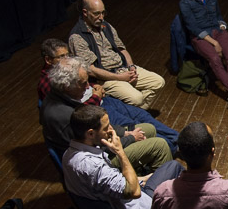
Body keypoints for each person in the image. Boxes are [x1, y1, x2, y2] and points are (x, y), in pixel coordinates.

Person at [63, 105, 184, 209]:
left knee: (156, 173)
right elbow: (134, 191)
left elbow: (109, 183)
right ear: (90, 133)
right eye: (106, 128)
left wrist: (142, 179)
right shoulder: (94, 167)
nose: (111, 130)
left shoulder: (69, 154)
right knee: (174, 167)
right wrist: (120, 152)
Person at [38, 39, 178, 153]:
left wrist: (94, 88)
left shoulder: (66, 87)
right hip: (98, 117)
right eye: (62, 56)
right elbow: (97, 143)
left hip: (101, 104)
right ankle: (172, 147)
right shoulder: (64, 111)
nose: (66, 59)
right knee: (136, 127)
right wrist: (126, 135)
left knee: (143, 116)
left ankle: (181, 142)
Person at [41, 57, 173, 173]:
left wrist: (123, 132)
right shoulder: (67, 117)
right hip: (99, 161)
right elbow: (98, 148)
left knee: (148, 128)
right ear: (66, 86)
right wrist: (130, 138)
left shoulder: (60, 96)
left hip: (100, 144)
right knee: (160, 145)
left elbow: (98, 130)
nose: (88, 87)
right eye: (83, 83)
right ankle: (157, 188)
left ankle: (147, 167)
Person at [68, 0, 165, 110]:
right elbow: (91, 70)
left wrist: (131, 66)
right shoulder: (78, 37)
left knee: (158, 82)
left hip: (123, 68)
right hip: (106, 78)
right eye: (96, 13)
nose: (101, 17)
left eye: (103, 13)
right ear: (85, 12)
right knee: (137, 98)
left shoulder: (105, 25)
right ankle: (135, 112)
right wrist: (120, 77)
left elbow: (121, 49)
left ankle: (138, 112)